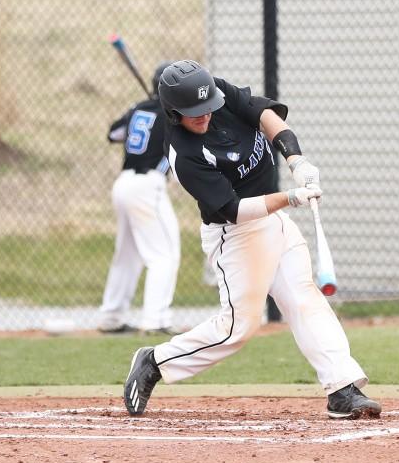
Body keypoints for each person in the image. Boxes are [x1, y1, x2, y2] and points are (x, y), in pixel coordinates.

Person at [123, 60, 380, 420]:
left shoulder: (218, 92)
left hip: (274, 221)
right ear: (172, 112)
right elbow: (233, 208)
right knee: (236, 329)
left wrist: (296, 159)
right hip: (237, 235)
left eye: (206, 107)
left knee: (304, 298)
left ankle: (342, 388)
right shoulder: (184, 154)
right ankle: (156, 360)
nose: (205, 116)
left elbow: (263, 113)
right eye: (193, 113)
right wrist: (289, 198)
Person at [98, 63, 181, 335]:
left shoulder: (138, 107)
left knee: (128, 255)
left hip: (123, 184)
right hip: (148, 185)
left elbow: (114, 133)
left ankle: (112, 317)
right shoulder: (175, 115)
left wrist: (147, 108)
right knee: (165, 254)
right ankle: (155, 320)